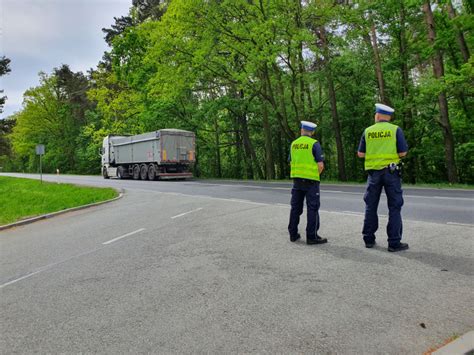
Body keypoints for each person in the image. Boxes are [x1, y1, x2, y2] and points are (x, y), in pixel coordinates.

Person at [357, 103, 409, 252]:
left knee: (370, 206)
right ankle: (394, 243)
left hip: (373, 174)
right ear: (389, 117)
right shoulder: (395, 130)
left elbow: (360, 154)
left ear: (377, 116)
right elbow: (402, 153)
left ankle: (368, 239)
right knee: (394, 207)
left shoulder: (368, 131)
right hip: (391, 173)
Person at [288, 121, 327, 245]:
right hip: (311, 181)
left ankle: (293, 235)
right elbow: (320, 165)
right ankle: (312, 237)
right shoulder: (314, 144)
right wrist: (314, 175)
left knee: (295, 208)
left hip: (297, 181)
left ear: (301, 130)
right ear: (312, 132)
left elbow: (290, 162)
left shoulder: (294, 144)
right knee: (312, 209)